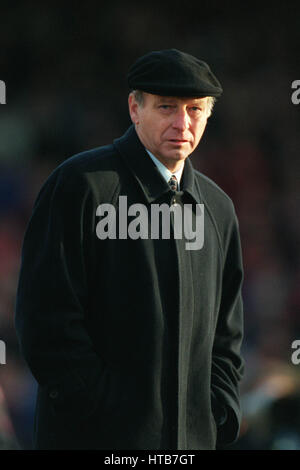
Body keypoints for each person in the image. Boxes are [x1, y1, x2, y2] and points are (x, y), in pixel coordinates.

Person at [15, 49, 244, 450]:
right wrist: (103, 413)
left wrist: (216, 415)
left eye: (195, 109)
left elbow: (227, 336)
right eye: (166, 106)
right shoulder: (79, 185)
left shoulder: (218, 209)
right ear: (134, 109)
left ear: (208, 116)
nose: (181, 123)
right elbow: (45, 322)